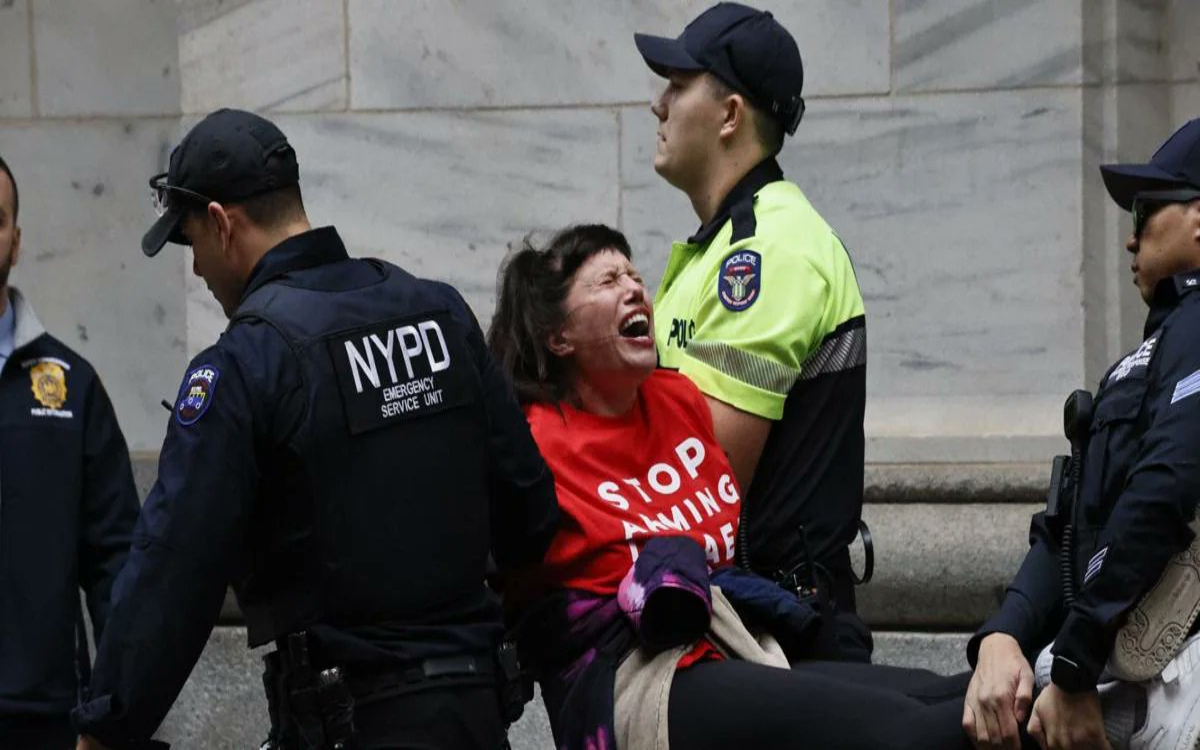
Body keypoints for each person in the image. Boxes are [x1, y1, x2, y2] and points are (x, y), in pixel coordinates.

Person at [71, 109, 559, 750]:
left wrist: (107, 725)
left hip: (350, 722)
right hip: (474, 712)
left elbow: (173, 571)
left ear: (221, 224)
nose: (196, 273)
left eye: (191, 244)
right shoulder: (439, 311)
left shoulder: (246, 364)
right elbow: (529, 511)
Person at [488, 224, 969, 750]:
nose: (633, 288)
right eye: (607, 280)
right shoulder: (531, 440)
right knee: (907, 732)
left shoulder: (679, 400)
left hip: (740, 644)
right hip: (636, 679)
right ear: (559, 336)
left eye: (634, 274)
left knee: (962, 698)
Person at [633, 2, 872, 660]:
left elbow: (703, 481)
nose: (659, 105)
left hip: (777, 636)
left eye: (678, 85)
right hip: (745, 620)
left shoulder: (765, 253)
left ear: (730, 115)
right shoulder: (726, 246)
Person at [964, 119, 1200, 750]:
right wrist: (1005, 634)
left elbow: (1165, 487)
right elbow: (1068, 528)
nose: (1129, 239)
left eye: (1147, 211)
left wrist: (1071, 667)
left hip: (1157, 680)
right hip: (1093, 666)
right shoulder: (1155, 348)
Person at [0, 155, 140, 750]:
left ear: (16, 240)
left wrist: (112, 717)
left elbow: (118, 561)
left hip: (45, 718)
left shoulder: (71, 387)